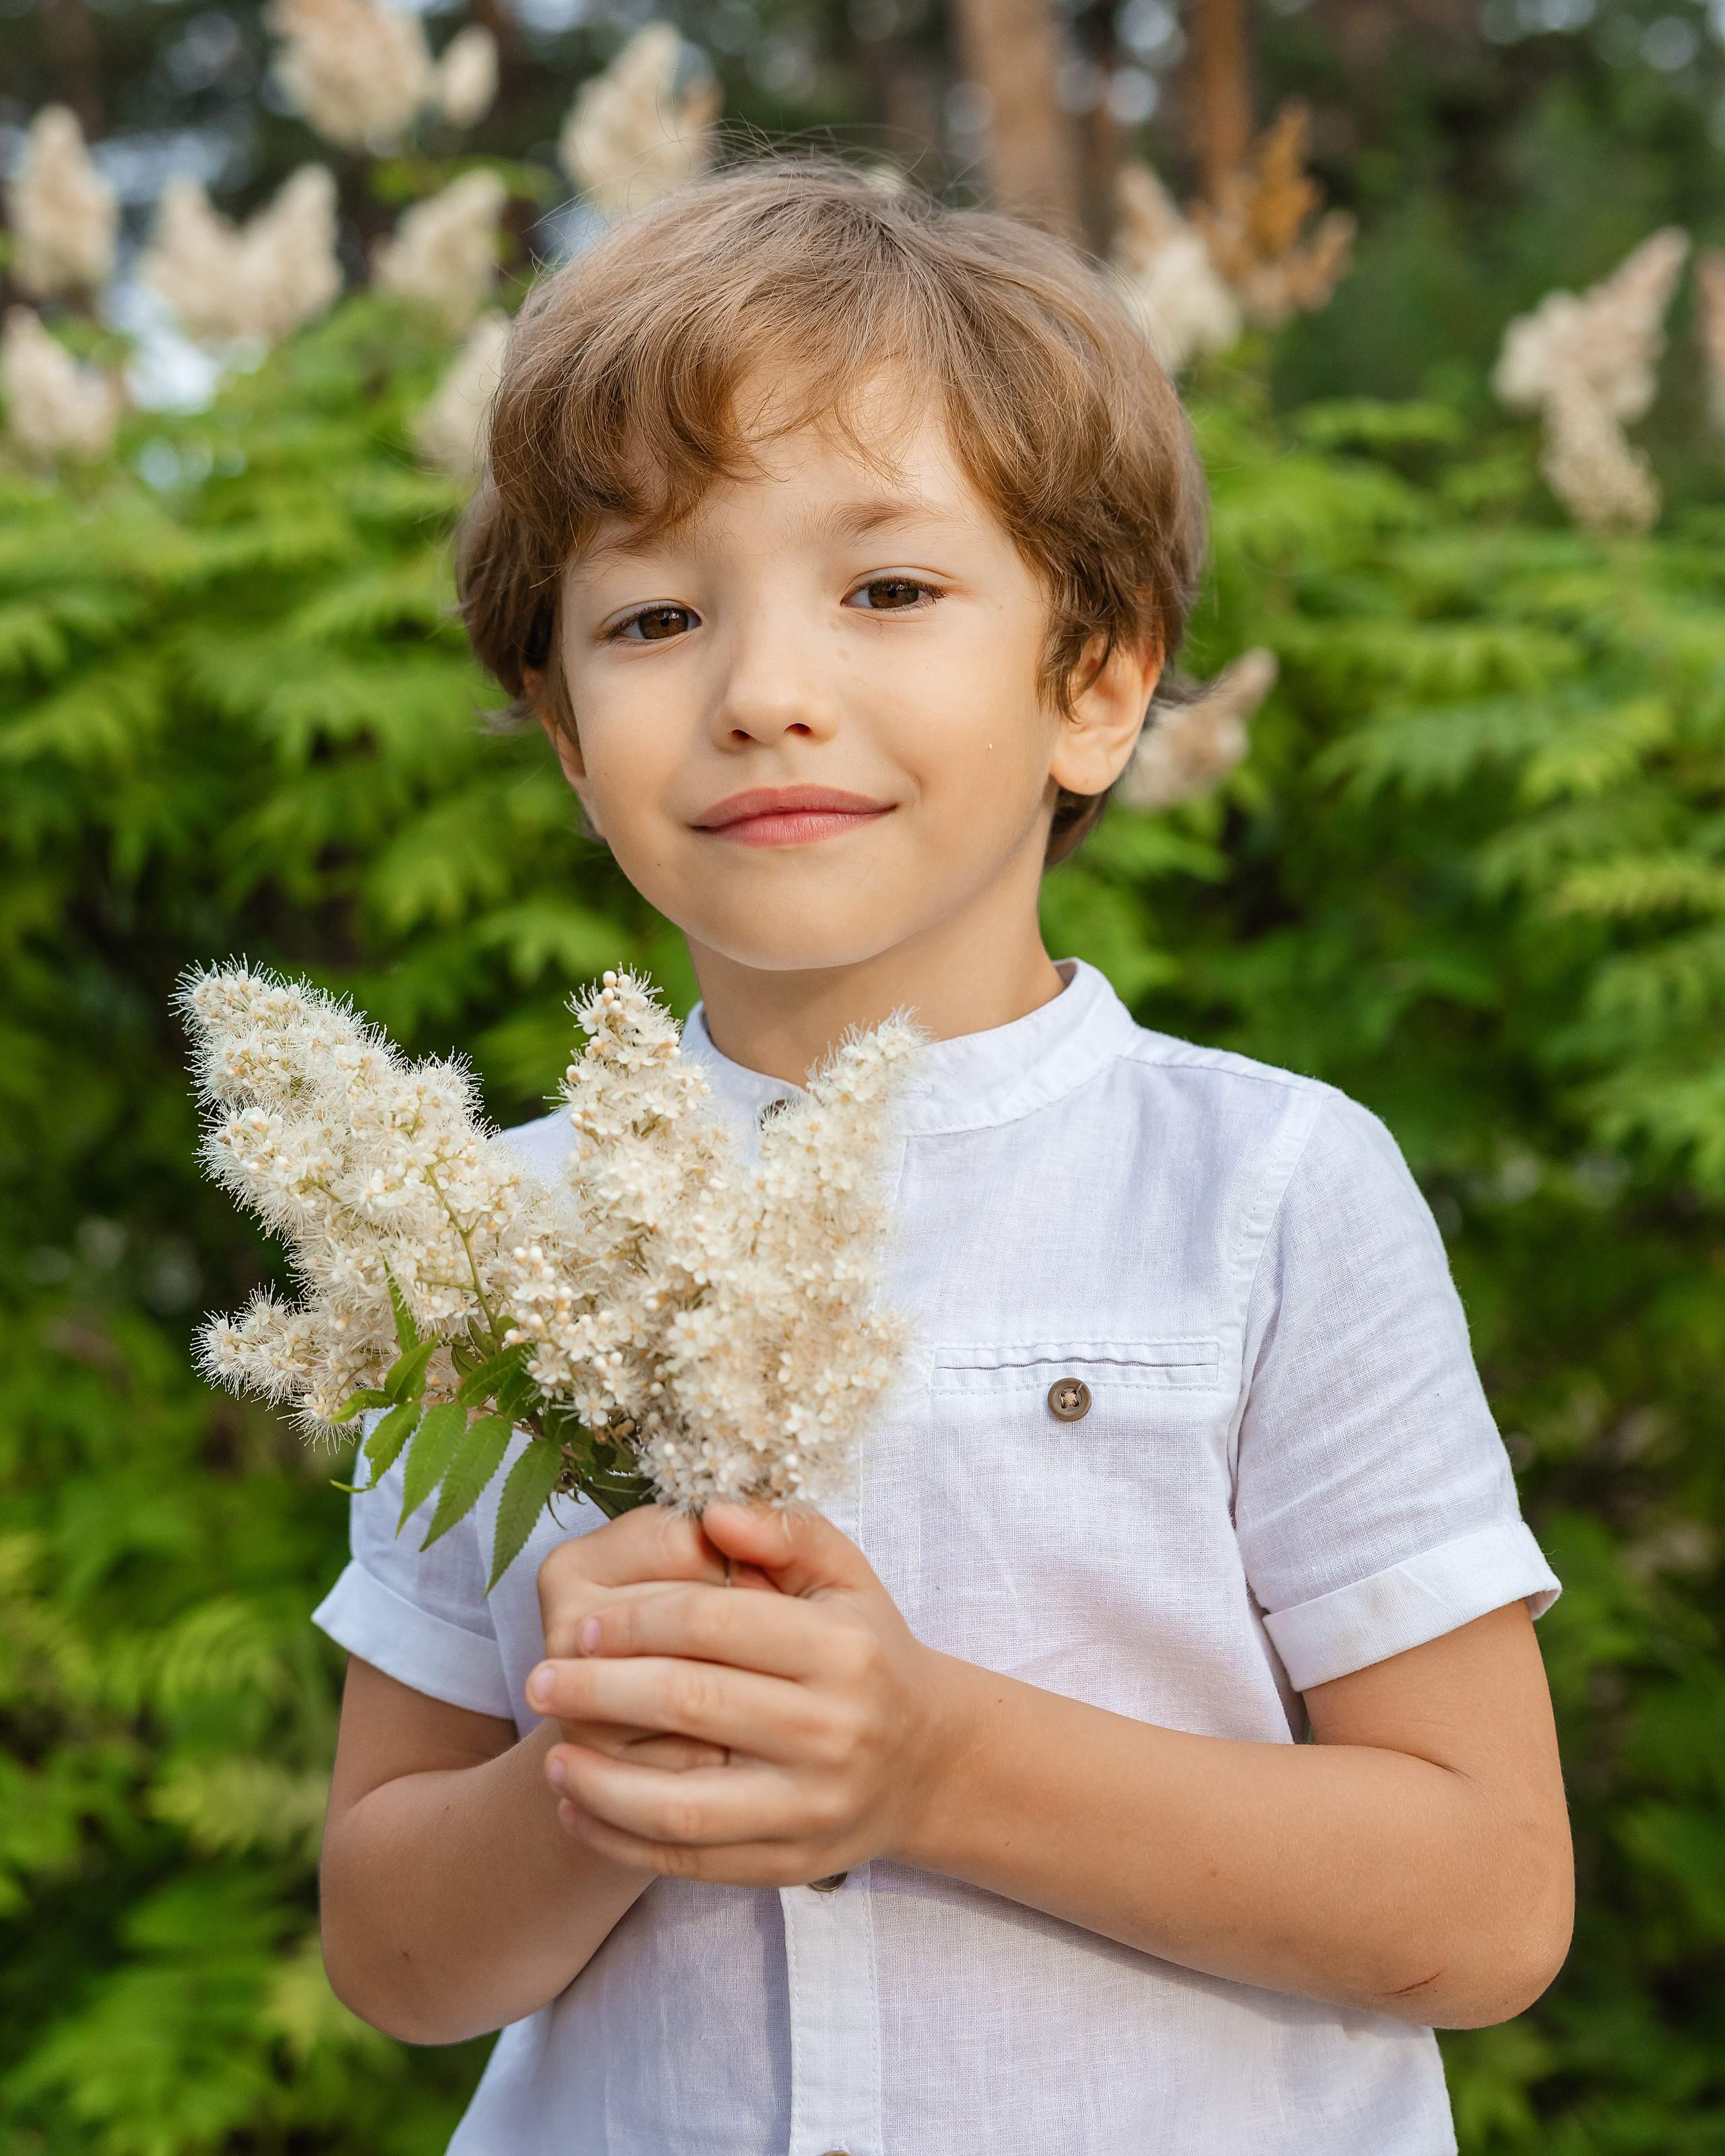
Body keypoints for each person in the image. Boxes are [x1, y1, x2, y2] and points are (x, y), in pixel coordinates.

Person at [311, 160, 1572, 2155]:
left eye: (888, 588)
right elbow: (394, 1955)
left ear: (1098, 681)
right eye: (655, 613)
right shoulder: (483, 1245)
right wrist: (598, 1779)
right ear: (563, 730)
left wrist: (933, 1763)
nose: (764, 693)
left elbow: (1490, 1900)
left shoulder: (1267, 1195)